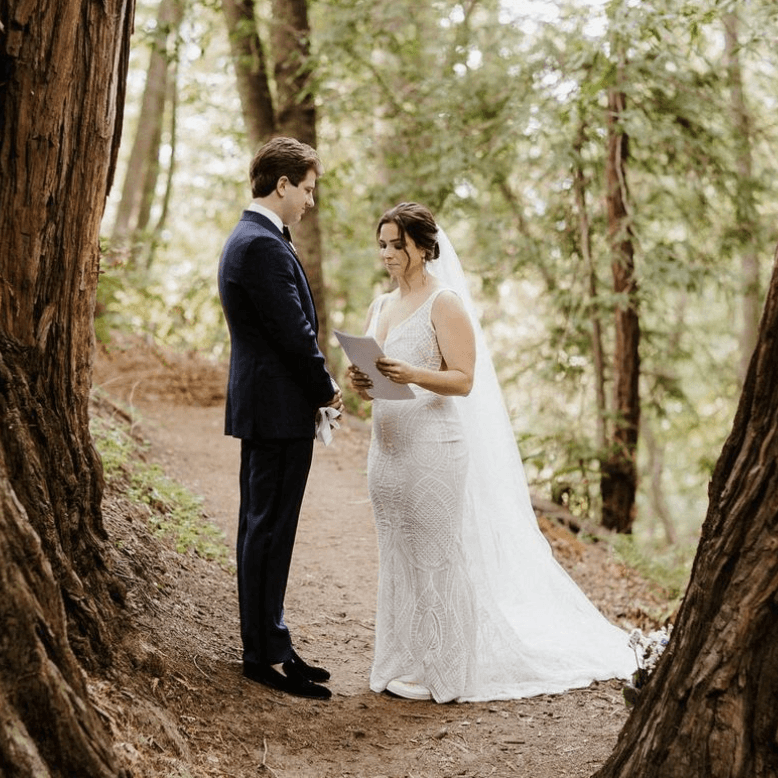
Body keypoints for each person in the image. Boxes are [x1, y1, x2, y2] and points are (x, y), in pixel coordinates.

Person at [347, 202, 635, 703]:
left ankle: (447, 668)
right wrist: (362, 381)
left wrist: (412, 374)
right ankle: (406, 656)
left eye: (397, 245)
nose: (388, 254)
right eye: (383, 245)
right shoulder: (379, 306)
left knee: (436, 556)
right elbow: (374, 385)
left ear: (423, 247)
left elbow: (464, 380)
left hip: (435, 447)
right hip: (387, 450)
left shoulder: (445, 303)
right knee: (398, 556)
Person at [218, 136, 343, 700]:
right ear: (283, 183)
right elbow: (293, 335)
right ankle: (264, 654)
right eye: (308, 189)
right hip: (277, 410)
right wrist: (326, 388)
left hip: (268, 408)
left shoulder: (253, 239)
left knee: (263, 528)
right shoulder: (262, 245)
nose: (310, 201)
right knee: (269, 530)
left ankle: (270, 643)